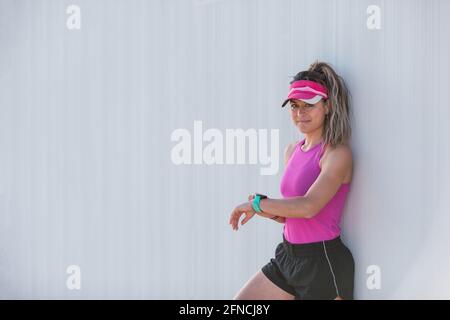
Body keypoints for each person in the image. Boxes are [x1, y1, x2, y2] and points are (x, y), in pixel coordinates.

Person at [229, 61, 355, 300]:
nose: (300, 113)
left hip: (322, 263)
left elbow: (308, 207)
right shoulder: (292, 151)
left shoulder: (337, 154)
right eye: (295, 106)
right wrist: (266, 210)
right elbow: (292, 214)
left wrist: (258, 204)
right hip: (288, 256)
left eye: (309, 105)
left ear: (327, 106)